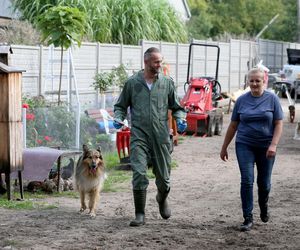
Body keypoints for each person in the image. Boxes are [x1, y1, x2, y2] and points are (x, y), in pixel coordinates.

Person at [113, 47, 187, 226]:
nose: (160, 65)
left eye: (160, 61)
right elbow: (121, 106)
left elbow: (176, 107)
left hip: (161, 137)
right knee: (139, 173)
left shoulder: (167, 83)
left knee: (164, 179)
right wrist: (118, 117)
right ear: (146, 62)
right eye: (156, 62)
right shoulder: (132, 83)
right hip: (139, 136)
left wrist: (180, 119)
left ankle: (162, 198)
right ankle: (140, 214)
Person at [220, 67, 283, 232]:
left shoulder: (272, 99)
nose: (254, 83)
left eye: (258, 80)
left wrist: (274, 145)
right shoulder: (241, 100)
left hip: (266, 146)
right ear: (248, 82)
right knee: (247, 180)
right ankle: (248, 217)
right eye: (251, 80)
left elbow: (278, 123)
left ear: (264, 81)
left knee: (264, 184)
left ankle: (263, 205)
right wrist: (224, 146)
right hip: (244, 144)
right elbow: (233, 125)